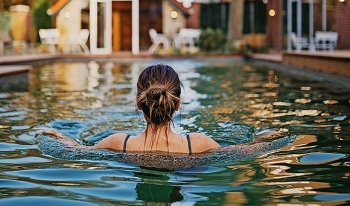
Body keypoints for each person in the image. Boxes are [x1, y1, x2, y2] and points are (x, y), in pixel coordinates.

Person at [36, 64, 288, 155]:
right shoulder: (198, 144)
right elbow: (249, 149)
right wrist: (274, 134)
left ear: (138, 102)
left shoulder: (118, 143)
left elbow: (76, 151)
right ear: (177, 104)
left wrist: (51, 133)